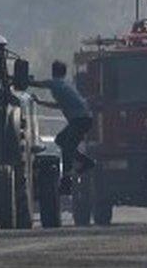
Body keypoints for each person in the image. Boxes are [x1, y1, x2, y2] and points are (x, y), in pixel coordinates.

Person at [34, 60, 94, 194]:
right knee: (60, 140)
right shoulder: (66, 87)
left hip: (80, 120)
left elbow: (38, 84)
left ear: (53, 71)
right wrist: (40, 102)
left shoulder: (56, 83)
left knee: (67, 148)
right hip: (83, 119)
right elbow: (59, 105)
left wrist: (21, 80)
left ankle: (67, 182)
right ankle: (85, 162)